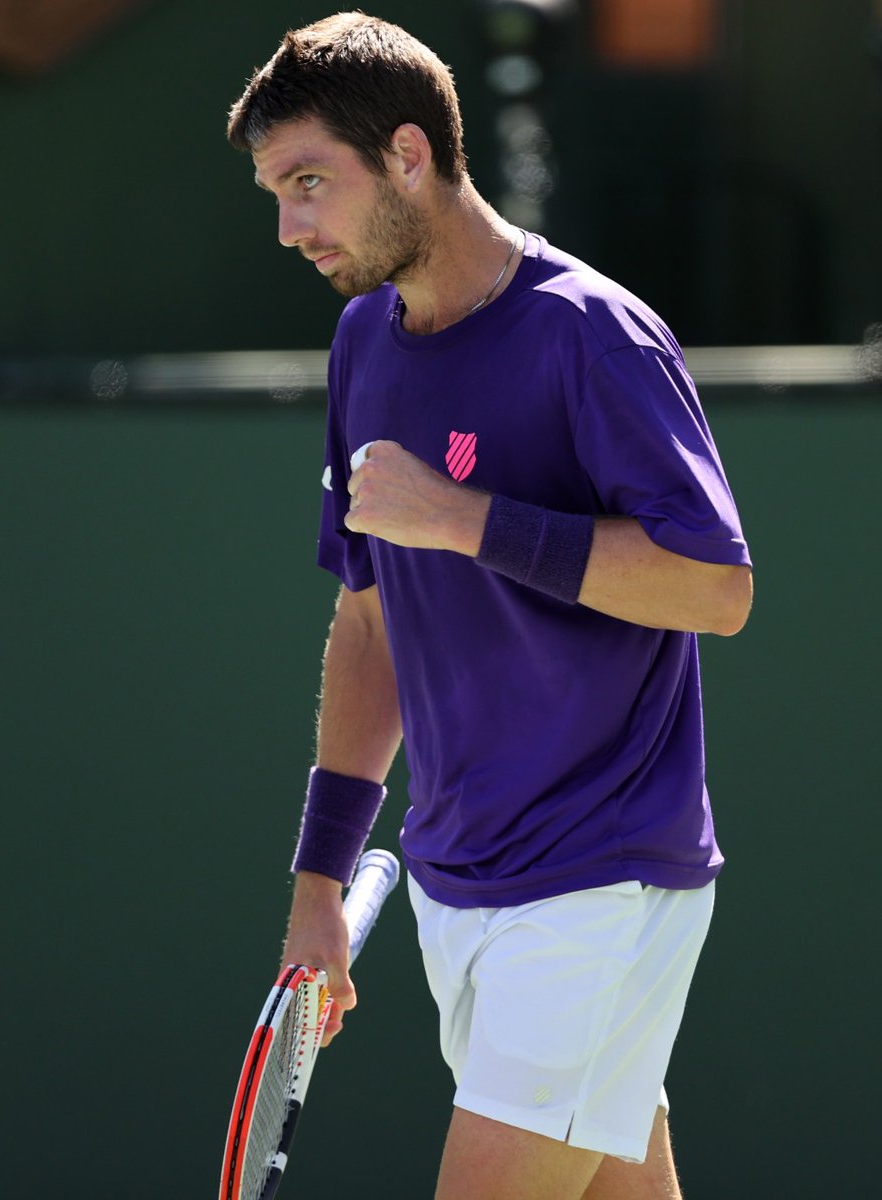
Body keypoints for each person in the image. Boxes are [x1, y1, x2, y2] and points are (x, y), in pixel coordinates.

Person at [227, 13, 752, 1200]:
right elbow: (370, 619)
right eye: (275, 193)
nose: (289, 227)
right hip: (463, 878)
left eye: (309, 184)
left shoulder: (593, 336)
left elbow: (716, 587)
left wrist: (467, 518)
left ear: (410, 154)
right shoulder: (364, 340)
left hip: (598, 878)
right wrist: (319, 880)